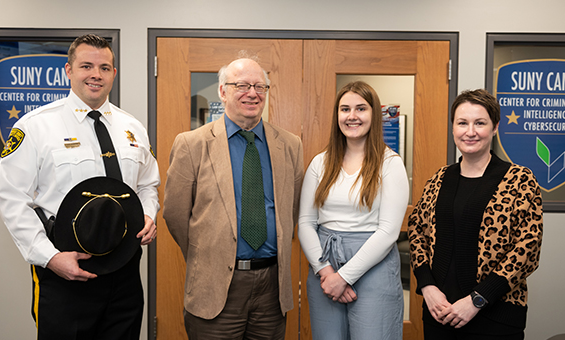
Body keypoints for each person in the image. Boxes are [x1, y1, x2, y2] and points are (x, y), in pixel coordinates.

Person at [0, 34, 160, 339]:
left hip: (124, 271)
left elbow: (149, 185)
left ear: (114, 73)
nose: (96, 74)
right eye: (86, 66)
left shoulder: (132, 127)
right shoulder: (35, 127)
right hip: (64, 269)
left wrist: (148, 214)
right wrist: (50, 258)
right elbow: (13, 200)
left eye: (104, 67)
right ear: (69, 70)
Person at [163, 56, 304, 339]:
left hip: (271, 289)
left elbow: (292, 209)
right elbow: (176, 215)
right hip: (214, 288)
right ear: (222, 91)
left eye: (259, 87)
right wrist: (209, 254)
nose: (252, 93)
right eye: (241, 85)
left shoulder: (289, 145)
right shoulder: (192, 145)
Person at [408, 89, 543, 340]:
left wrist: (477, 300)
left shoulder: (519, 180)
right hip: (440, 314)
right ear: (453, 128)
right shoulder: (438, 179)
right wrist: (427, 287)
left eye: (480, 123)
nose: (470, 131)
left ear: (494, 128)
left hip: (496, 319)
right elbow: (416, 231)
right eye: (462, 123)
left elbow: (528, 248)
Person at [298, 81, 409, 339]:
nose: (352, 116)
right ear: (337, 115)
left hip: (374, 265)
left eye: (361, 108)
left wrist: (344, 277)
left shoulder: (390, 164)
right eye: (345, 109)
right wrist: (327, 273)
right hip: (324, 265)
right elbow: (305, 222)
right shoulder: (320, 162)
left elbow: (389, 231)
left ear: (373, 115)